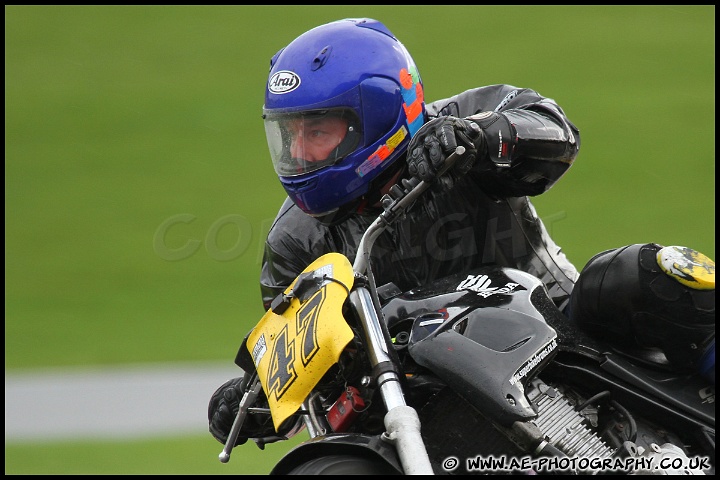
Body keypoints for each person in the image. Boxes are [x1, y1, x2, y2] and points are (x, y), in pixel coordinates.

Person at [209, 17, 715, 449]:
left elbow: (556, 133)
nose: (301, 154)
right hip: (427, 398)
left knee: (641, 273)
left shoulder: (462, 122)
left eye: (316, 132)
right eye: (290, 135)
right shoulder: (293, 242)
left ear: (378, 114)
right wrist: (253, 396)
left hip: (560, 336)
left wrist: (483, 137)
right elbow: (301, 360)